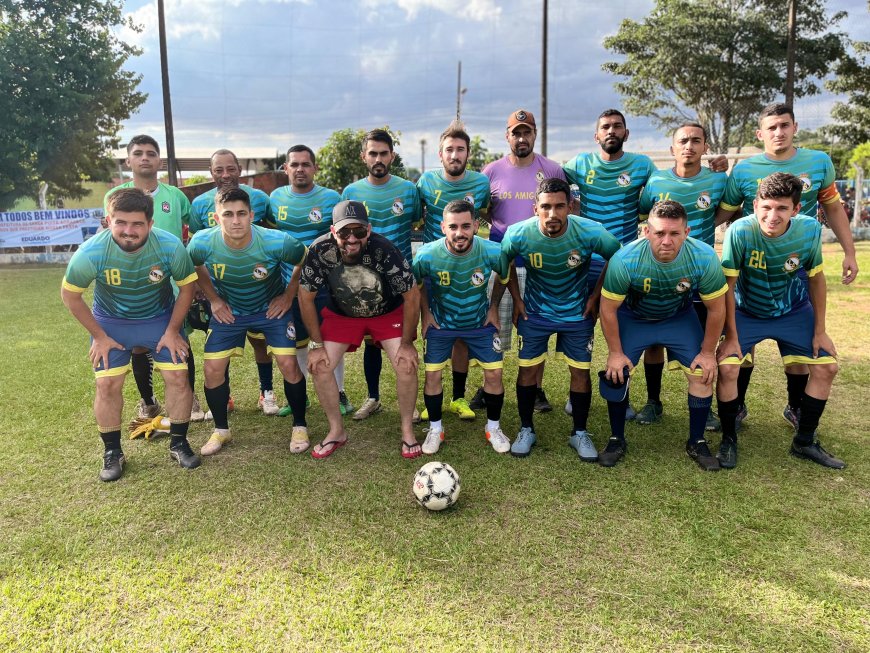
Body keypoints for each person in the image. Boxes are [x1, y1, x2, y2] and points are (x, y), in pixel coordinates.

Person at [564, 109, 728, 418]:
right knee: (585, 326)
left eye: (617, 126)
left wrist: (719, 169)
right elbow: (552, 181)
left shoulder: (644, 167)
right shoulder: (579, 164)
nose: (611, 131)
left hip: (635, 262)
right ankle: (581, 393)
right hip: (589, 261)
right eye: (605, 127)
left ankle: (697, 407)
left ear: (627, 133)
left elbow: (658, 206)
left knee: (670, 328)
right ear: (596, 134)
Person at [715, 103, 859, 431]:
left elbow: (833, 208)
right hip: (753, 271)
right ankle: (736, 407)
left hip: (794, 271)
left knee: (797, 348)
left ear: (795, 127)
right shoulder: (743, 171)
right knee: (741, 349)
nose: (778, 132)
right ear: (760, 134)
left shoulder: (819, 162)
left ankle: (796, 406)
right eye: (772, 127)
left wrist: (849, 252)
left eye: (784, 125)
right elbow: (720, 214)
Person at [61, 188, 201, 481]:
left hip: (158, 318)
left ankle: (179, 442)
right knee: (108, 386)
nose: (128, 231)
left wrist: (174, 330)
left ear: (150, 224)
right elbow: (71, 296)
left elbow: (187, 287)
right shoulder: (90, 252)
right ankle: (112, 452)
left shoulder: (170, 246)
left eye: (137, 224)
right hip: (111, 323)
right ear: (108, 220)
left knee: (178, 376)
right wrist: (99, 336)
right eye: (121, 222)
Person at [716, 173, 845, 470]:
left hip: (794, 311)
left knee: (827, 367)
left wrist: (820, 331)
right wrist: (731, 336)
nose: (772, 216)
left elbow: (816, 279)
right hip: (747, 311)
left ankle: (804, 441)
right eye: (767, 207)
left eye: (782, 209)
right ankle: (728, 439)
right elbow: (728, 287)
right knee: (728, 367)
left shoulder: (810, 230)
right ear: (755, 204)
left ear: (796, 210)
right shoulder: (739, 231)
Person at [598, 200, 727, 470]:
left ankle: (697, 440)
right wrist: (615, 353)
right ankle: (616, 438)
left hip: (677, 318)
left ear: (687, 232)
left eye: (674, 233)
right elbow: (608, 309)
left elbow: (716, 309)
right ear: (646, 232)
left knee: (702, 372)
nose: (666, 241)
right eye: (659, 233)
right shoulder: (625, 259)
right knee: (615, 374)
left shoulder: (704, 256)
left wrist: (707, 353)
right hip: (634, 318)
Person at [497, 178, 621, 458]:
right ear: (535, 208)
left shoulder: (590, 231)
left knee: (580, 372)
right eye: (546, 207)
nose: (552, 214)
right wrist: (517, 299)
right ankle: (526, 428)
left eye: (559, 206)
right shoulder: (518, 234)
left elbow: (618, 256)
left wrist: (596, 295)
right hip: (535, 313)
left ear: (571, 206)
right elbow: (503, 265)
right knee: (528, 370)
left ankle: (579, 433)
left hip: (577, 314)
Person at [187, 188, 310, 455]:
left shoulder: (278, 241)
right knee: (212, 369)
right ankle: (221, 430)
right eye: (228, 214)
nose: (236, 221)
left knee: (289, 363)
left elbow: (304, 258)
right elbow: (196, 266)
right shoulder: (201, 242)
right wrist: (214, 300)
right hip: (230, 312)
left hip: (270, 310)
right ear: (216, 218)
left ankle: (299, 425)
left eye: (242, 213)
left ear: (251, 215)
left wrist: (289, 295)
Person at [298, 200, 422, 459]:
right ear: (333, 231)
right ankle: (336, 431)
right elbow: (305, 296)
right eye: (344, 232)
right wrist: (316, 344)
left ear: (369, 229)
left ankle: (407, 430)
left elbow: (411, 295)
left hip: (386, 312)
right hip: (343, 315)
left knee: (406, 363)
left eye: (359, 231)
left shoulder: (385, 249)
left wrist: (408, 343)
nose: (351, 238)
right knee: (320, 365)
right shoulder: (320, 250)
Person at [103, 135, 205, 422]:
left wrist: (193, 276)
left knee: (179, 337)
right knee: (137, 344)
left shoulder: (175, 196)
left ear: (159, 160)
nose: (144, 157)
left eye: (150, 153)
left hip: (173, 284)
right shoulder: (114, 197)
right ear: (128, 160)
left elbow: (196, 232)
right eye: (138, 153)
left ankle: (190, 396)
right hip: (130, 284)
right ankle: (149, 403)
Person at [635, 122, 727, 429]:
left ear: (705, 147)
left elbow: (728, 211)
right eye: (683, 141)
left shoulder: (717, 181)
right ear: (673, 148)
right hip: (661, 268)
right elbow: (645, 216)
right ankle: (653, 401)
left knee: (705, 337)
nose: (689, 145)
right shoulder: (656, 180)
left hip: (700, 271)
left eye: (696, 141)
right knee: (653, 341)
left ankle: (706, 405)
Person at [481, 109, 566, 413]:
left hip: (538, 263)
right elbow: (483, 209)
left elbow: (566, 206)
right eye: (515, 133)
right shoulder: (490, 172)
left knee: (533, 327)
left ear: (534, 134)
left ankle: (537, 388)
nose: (521, 138)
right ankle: (487, 384)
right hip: (500, 261)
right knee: (494, 325)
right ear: (507, 136)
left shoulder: (553, 169)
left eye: (526, 132)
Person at [413, 200, 511, 454]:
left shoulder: (492, 251)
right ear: (443, 227)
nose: (460, 233)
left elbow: (504, 275)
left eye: (466, 226)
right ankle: (435, 429)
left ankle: (494, 427)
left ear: (476, 226)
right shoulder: (426, 254)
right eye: (453, 226)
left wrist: (493, 308)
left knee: (494, 375)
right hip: (441, 324)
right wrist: (426, 314)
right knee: (432, 375)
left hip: (479, 323)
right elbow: (418, 284)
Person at [340, 129, 421, 421]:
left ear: (392, 156)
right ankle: (373, 397)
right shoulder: (351, 192)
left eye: (383, 153)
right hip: (364, 281)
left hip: (400, 283)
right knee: (371, 340)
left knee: (405, 339)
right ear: (364, 157)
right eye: (372, 153)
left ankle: (410, 406)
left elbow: (413, 223)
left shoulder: (409, 190)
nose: (378, 158)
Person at [189, 149, 278, 415]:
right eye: (219, 170)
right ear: (211, 173)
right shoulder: (200, 204)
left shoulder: (261, 199)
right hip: (219, 287)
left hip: (259, 285)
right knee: (220, 342)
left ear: (239, 169)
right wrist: (200, 288)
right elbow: (196, 248)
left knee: (260, 341)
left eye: (230, 168)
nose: (225, 175)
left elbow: (274, 236)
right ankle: (224, 396)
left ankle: (266, 392)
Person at [268, 144, 353, 416]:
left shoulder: (331, 198)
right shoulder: (275, 198)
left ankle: (339, 393)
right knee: (298, 341)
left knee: (330, 339)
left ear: (315, 168)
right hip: (288, 286)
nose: (300, 169)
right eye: (294, 164)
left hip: (327, 286)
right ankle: (300, 395)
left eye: (306, 164)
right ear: (286, 168)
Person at [416, 120, 492, 419]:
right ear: (440, 154)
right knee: (434, 329)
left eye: (460, 149)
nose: (455, 154)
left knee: (460, 334)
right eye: (449, 149)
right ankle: (431, 398)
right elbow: (415, 217)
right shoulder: (425, 182)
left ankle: (458, 398)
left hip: (468, 265)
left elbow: (485, 215)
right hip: (435, 268)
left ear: (468, 154)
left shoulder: (480, 184)